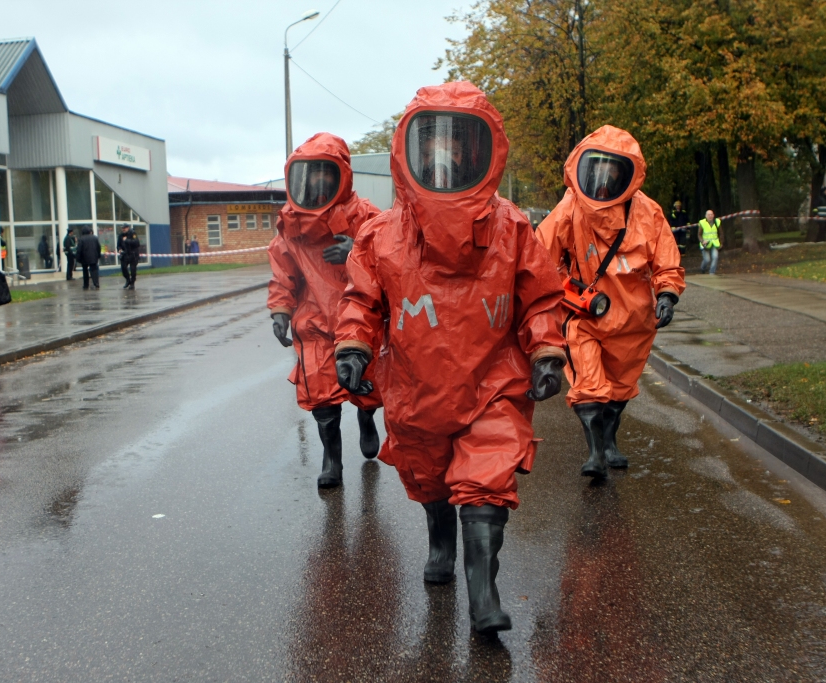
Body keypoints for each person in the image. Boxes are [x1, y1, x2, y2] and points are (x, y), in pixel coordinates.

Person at [334, 82, 567, 635]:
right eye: (433, 141)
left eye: (460, 142)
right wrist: (352, 346)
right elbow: (362, 300)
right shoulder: (382, 236)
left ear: (486, 152)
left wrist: (547, 351)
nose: (444, 156)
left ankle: (483, 594)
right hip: (417, 389)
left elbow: (540, 296)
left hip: (493, 382)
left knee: (486, 485)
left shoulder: (511, 227)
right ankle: (440, 538)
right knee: (431, 478)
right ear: (408, 151)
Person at [537, 125, 686, 480]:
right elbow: (540, 255)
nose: (603, 179)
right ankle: (594, 453)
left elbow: (666, 259)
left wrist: (667, 295)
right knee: (587, 380)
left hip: (633, 319)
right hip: (585, 313)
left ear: (627, 174)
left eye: (613, 170)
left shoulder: (647, 212)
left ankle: (609, 441)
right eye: (597, 168)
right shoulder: (569, 208)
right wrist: (559, 287)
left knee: (620, 386)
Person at [268, 132, 383, 489]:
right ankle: (332, 458)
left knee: (365, 383)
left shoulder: (365, 216)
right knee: (321, 395)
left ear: (341, 176)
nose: (318, 182)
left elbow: (391, 258)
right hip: (315, 320)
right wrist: (280, 310)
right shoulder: (291, 224)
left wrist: (356, 250)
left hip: (359, 317)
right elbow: (282, 269)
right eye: (311, 175)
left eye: (325, 174)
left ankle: (367, 416)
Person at [77, 226, 101, 290]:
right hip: (94, 257)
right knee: (94, 270)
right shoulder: (95, 238)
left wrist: (78, 258)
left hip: (84, 258)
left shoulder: (81, 239)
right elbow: (98, 247)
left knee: (85, 271)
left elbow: (79, 249)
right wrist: (98, 255)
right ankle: (96, 283)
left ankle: (86, 285)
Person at [698, 209, 721, 275]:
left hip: (714, 243)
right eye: (709, 215)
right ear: (706, 216)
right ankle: (703, 269)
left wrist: (721, 242)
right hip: (705, 244)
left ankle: (712, 272)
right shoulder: (702, 223)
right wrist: (702, 241)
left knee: (715, 257)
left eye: (711, 214)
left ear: (713, 215)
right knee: (707, 260)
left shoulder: (717, 222)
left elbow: (721, 233)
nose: (710, 216)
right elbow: (699, 234)